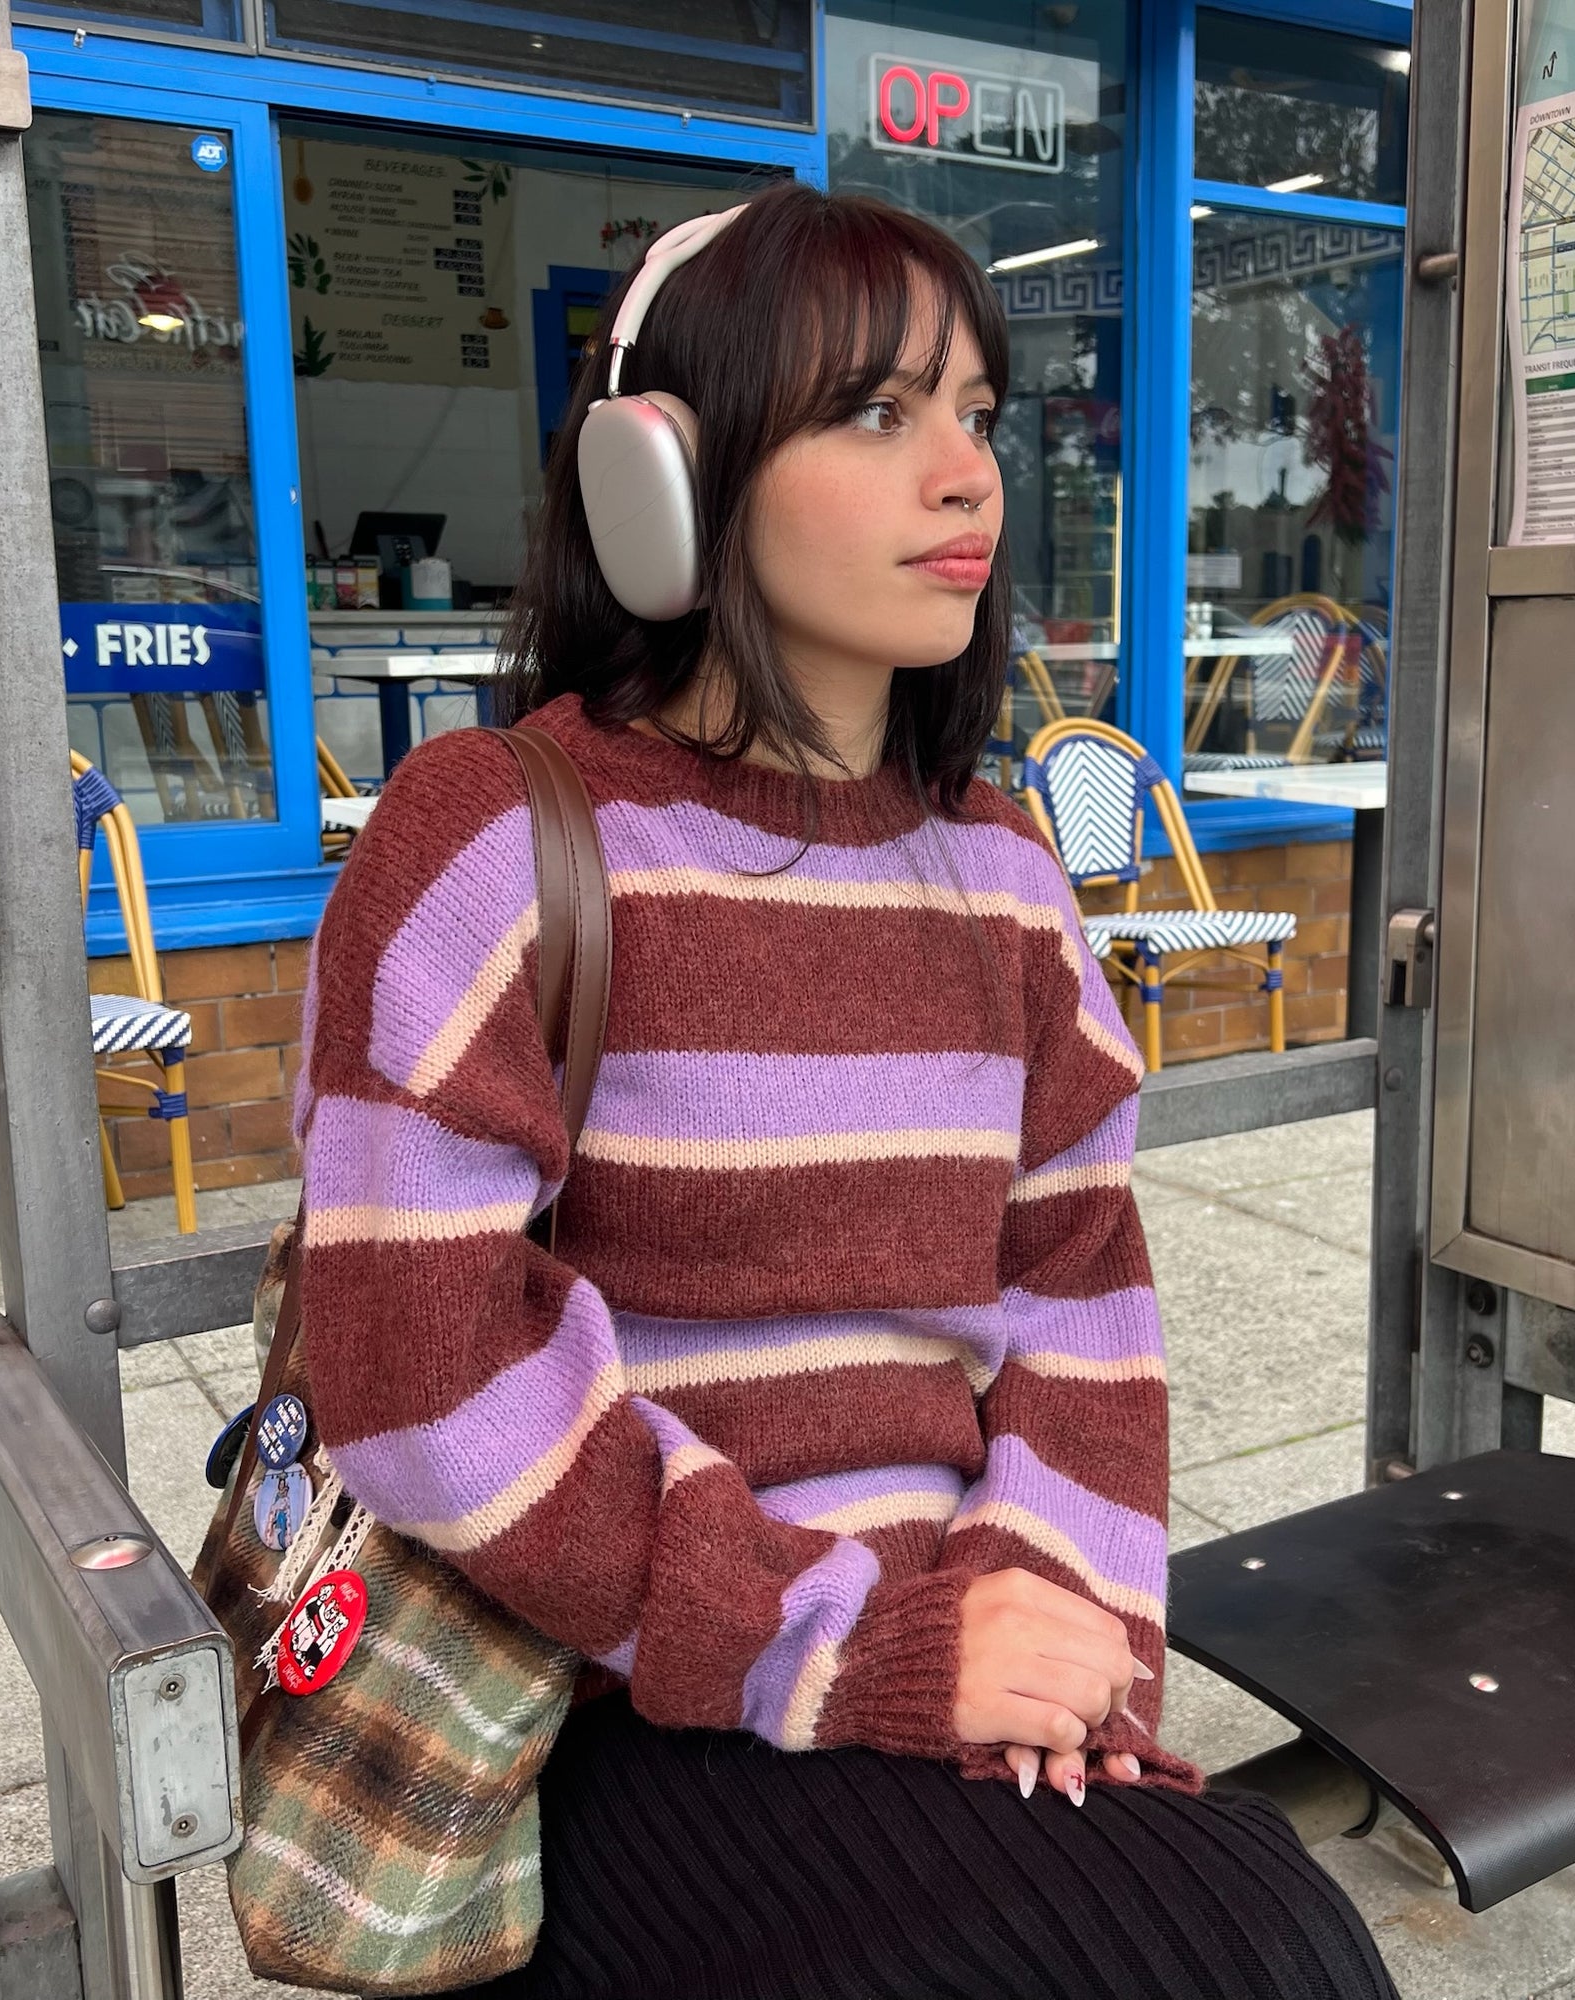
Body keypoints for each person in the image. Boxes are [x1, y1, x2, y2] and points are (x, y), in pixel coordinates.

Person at [294, 180, 1395, 2000]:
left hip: (937, 1660)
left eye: (976, 412)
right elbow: (417, 1382)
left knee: (1246, 1929)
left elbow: (1083, 1312)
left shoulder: (1012, 883)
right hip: (623, 1693)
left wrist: (1070, 1663)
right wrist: (841, 1645)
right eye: (876, 413)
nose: (965, 475)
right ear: (662, 472)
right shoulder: (492, 840)